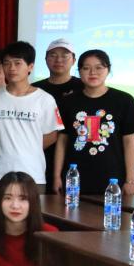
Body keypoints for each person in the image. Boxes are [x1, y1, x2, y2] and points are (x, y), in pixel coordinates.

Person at [55, 49, 134, 196]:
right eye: (86, 68)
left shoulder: (124, 100)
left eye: (99, 67)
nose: (92, 73)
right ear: (79, 71)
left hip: (113, 180)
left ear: (108, 70)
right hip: (74, 178)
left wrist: (131, 181)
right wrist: (56, 176)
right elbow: (62, 141)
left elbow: (129, 143)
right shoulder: (68, 101)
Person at [0, 41, 62, 193]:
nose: (12, 68)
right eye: (7, 63)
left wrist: (27, 147)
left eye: (17, 63)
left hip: (32, 174)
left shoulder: (44, 99)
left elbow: (52, 135)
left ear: (30, 67)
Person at [35, 38, 84, 189]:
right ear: (45, 59)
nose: (59, 60)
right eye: (53, 55)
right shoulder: (35, 89)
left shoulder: (83, 87)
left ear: (74, 60)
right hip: (41, 153)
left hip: (74, 153)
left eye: (65, 56)